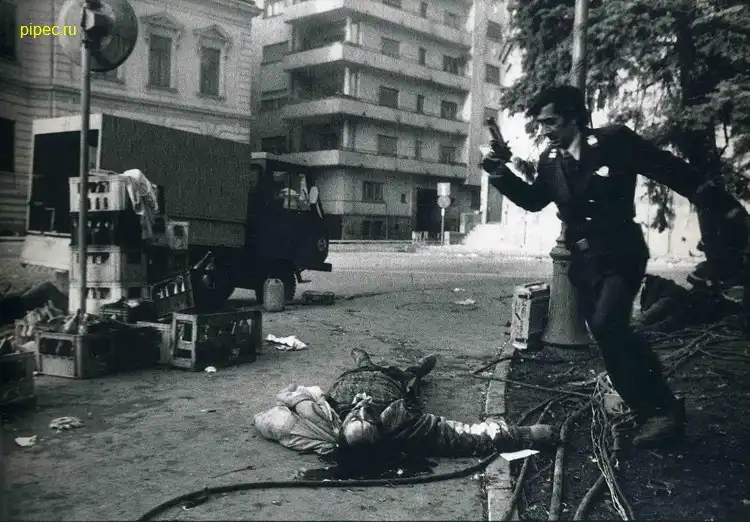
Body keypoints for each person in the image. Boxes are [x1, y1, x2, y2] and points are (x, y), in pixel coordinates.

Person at [481, 85, 749, 448]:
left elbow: (669, 169)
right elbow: (533, 200)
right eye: (541, 123)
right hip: (584, 264)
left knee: (610, 324)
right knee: (610, 338)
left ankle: (662, 411)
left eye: (551, 121)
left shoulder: (613, 142)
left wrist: (723, 206)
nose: (545, 130)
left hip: (621, 254)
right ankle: (651, 409)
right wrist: (499, 172)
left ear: (573, 117)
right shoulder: (550, 160)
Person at [254, 349, 558, 464]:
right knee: (411, 377)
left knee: (364, 366)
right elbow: (468, 437)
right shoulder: (403, 426)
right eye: (367, 416)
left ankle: (364, 360)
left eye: (356, 416)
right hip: (394, 383)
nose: (361, 406)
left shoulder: (324, 423)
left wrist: (299, 400)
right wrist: (527, 434)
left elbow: (270, 418)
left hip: (352, 376)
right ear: (379, 428)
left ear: (343, 428)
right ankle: (418, 369)